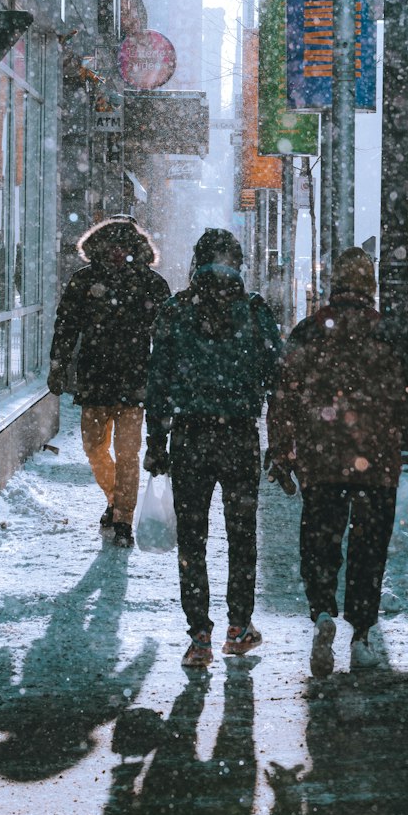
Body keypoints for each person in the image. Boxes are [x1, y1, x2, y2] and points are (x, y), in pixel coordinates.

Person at [266, 246, 408, 678]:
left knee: (320, 544)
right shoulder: (389, 334)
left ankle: (323, 613)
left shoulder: (309, 332)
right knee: (369, 551)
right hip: (375, 462)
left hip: (322, 461)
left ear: (334, 284)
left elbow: (283, 396)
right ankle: (362, 635)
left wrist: (281, 452)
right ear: (371, 286)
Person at [144, 228, 282, 668]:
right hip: (239, 435)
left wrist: (156, 442)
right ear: (238, 265)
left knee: (193, 539)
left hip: (190, 437)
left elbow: (158, 384)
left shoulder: (175, 311)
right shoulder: (255, 311)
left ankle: (199, 637)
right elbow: (276, 376)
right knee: (242, 536)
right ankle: (239, 627)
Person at [48, 217, 171, 549]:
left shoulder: (151, 284)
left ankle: (123, 520)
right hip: (95, 379)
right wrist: (57, 363)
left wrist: (165, 377)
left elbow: (166, 338)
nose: (117, 253)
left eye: (124, 247)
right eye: (111, 246)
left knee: (128, 453)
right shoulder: (84, 282)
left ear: (134, 249)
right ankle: (117, 500)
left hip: (133, 381)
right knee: (94, 448)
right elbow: (66, 324)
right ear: (99, 247)